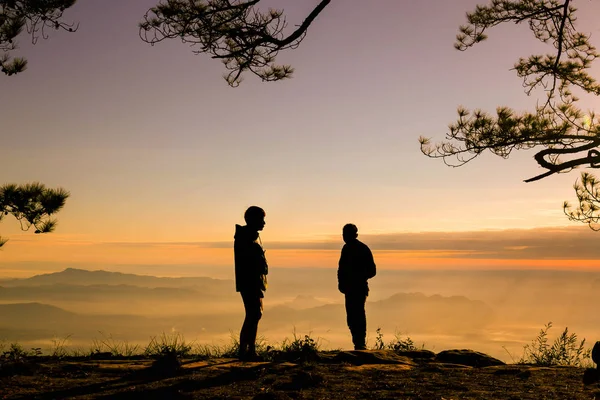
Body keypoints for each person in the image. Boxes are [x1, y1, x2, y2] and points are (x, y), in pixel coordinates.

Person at [234, 206, 268, 360]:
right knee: (253, 314)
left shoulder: (247, 237)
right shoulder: (247, 239)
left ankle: (249, 350)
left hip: (251, 282)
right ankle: (246, 351)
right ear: (253, 220)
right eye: (261, 219)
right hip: (250, 282)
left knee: (254, 314)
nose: (264, 223)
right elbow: (253, 263)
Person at [337, 223, 376, 350]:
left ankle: (360, 343)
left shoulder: (362, 249)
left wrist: (357, 277)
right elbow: (341, 269)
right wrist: (341, 283)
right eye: (344, 234)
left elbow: (372, 271)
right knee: (352, 316)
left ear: (354, 235)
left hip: (358, 288)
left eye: (346, 234)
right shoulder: (346, 249)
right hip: (350, 288)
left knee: (357, 314)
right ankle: (357, 343)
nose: (344, 237)